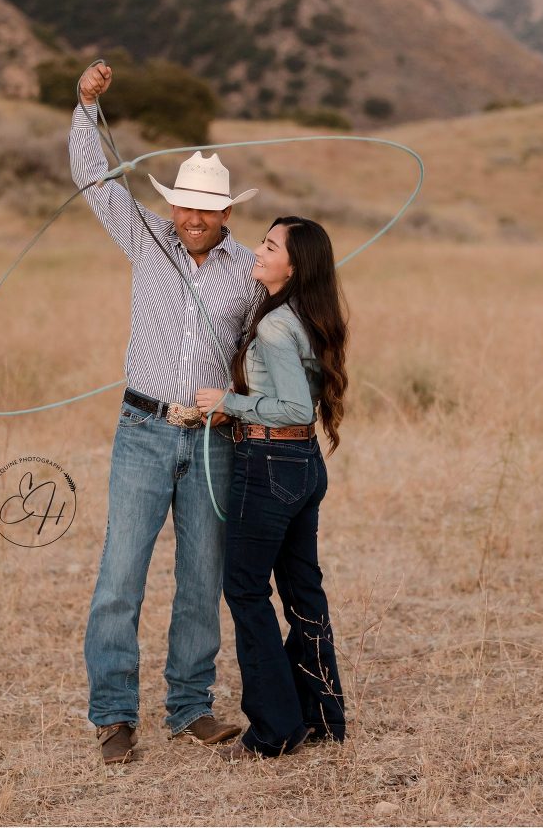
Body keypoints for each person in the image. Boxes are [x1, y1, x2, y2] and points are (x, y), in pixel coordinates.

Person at [69, 61, 264, 765]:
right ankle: (114, 713)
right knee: (121, 572)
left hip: (214, 438)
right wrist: (86, 105)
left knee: (201, 575)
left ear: (226, 214)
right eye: (184, 205)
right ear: (173, 205)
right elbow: (94, 177)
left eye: (206, 209)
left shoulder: (249, 271)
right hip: (144, 428)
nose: (192, 218)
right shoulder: (146, 237)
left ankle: (190, 705)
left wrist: (243, 407)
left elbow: (266, 350)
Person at [195, 215, 348, 760]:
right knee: (303, 589)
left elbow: (293, 406)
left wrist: (225, 403)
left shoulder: (275, 326)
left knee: (245, 590)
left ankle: (276, 729)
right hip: (302, 464)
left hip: (269, 462)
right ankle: (321, 714)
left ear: (293, 265)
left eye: (269, 245)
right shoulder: (304, 315)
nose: (258, 251)